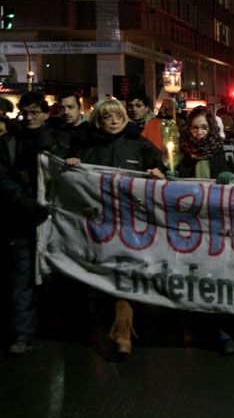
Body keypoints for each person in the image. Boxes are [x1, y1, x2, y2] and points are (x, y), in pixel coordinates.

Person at [65, 99, 165, 359]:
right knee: (105, 278)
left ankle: (123, 335)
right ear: (98, 120)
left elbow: (161, 168)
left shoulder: (139, 145)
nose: (113, 122)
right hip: (98, 225)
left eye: (118, 117)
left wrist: (158, 173)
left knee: (124, 275)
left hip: (131, 224)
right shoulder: (85, 146)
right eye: (107, 117)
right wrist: (71, 165)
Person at [178, 106, 234, 354]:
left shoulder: (228, 150)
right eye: (194, 127)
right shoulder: (183, 154)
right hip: (194, 227)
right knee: (201, 276)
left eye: (204, 127)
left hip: (224, 226)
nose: (198, 132)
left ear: (212, 128)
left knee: (224, 277)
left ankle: (226, 330)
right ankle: (203, 325)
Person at [0, 92, 64, 355]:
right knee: (22, 275)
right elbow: (4, 180)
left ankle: (57, 325)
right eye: (25, 112)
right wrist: (28, 205)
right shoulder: (8, 143)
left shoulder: (58, 140)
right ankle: (23, 333)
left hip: (57, 219)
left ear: (46, 113)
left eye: (35, 112)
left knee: (57, 273)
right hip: (23, 219)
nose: (30, 117)